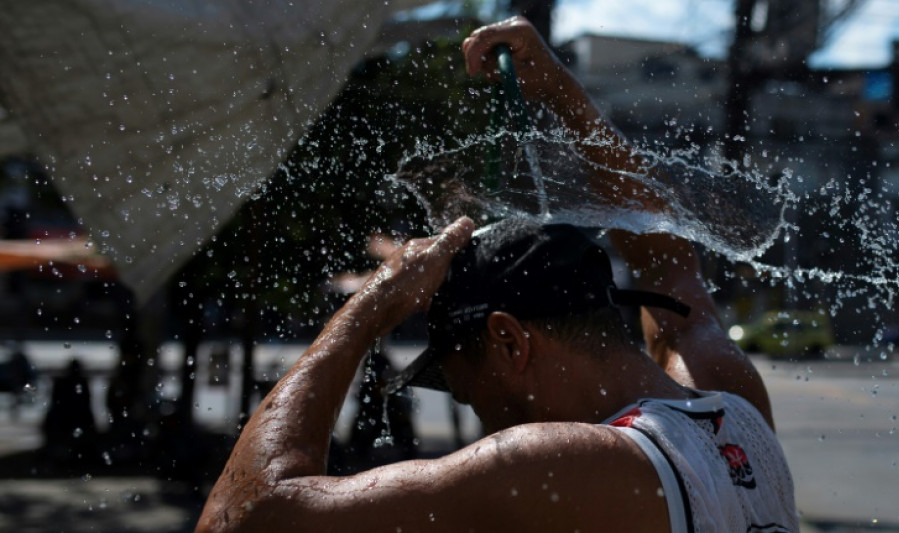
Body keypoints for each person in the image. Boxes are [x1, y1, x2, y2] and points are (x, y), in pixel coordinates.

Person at [196, 17, 797, 533]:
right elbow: (666, 261)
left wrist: (371, 307)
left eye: (467, 390)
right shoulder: (733, 403)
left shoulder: (557, 465)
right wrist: (561, 93)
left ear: (509, 341)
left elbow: (249, 517)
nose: (480, 420)